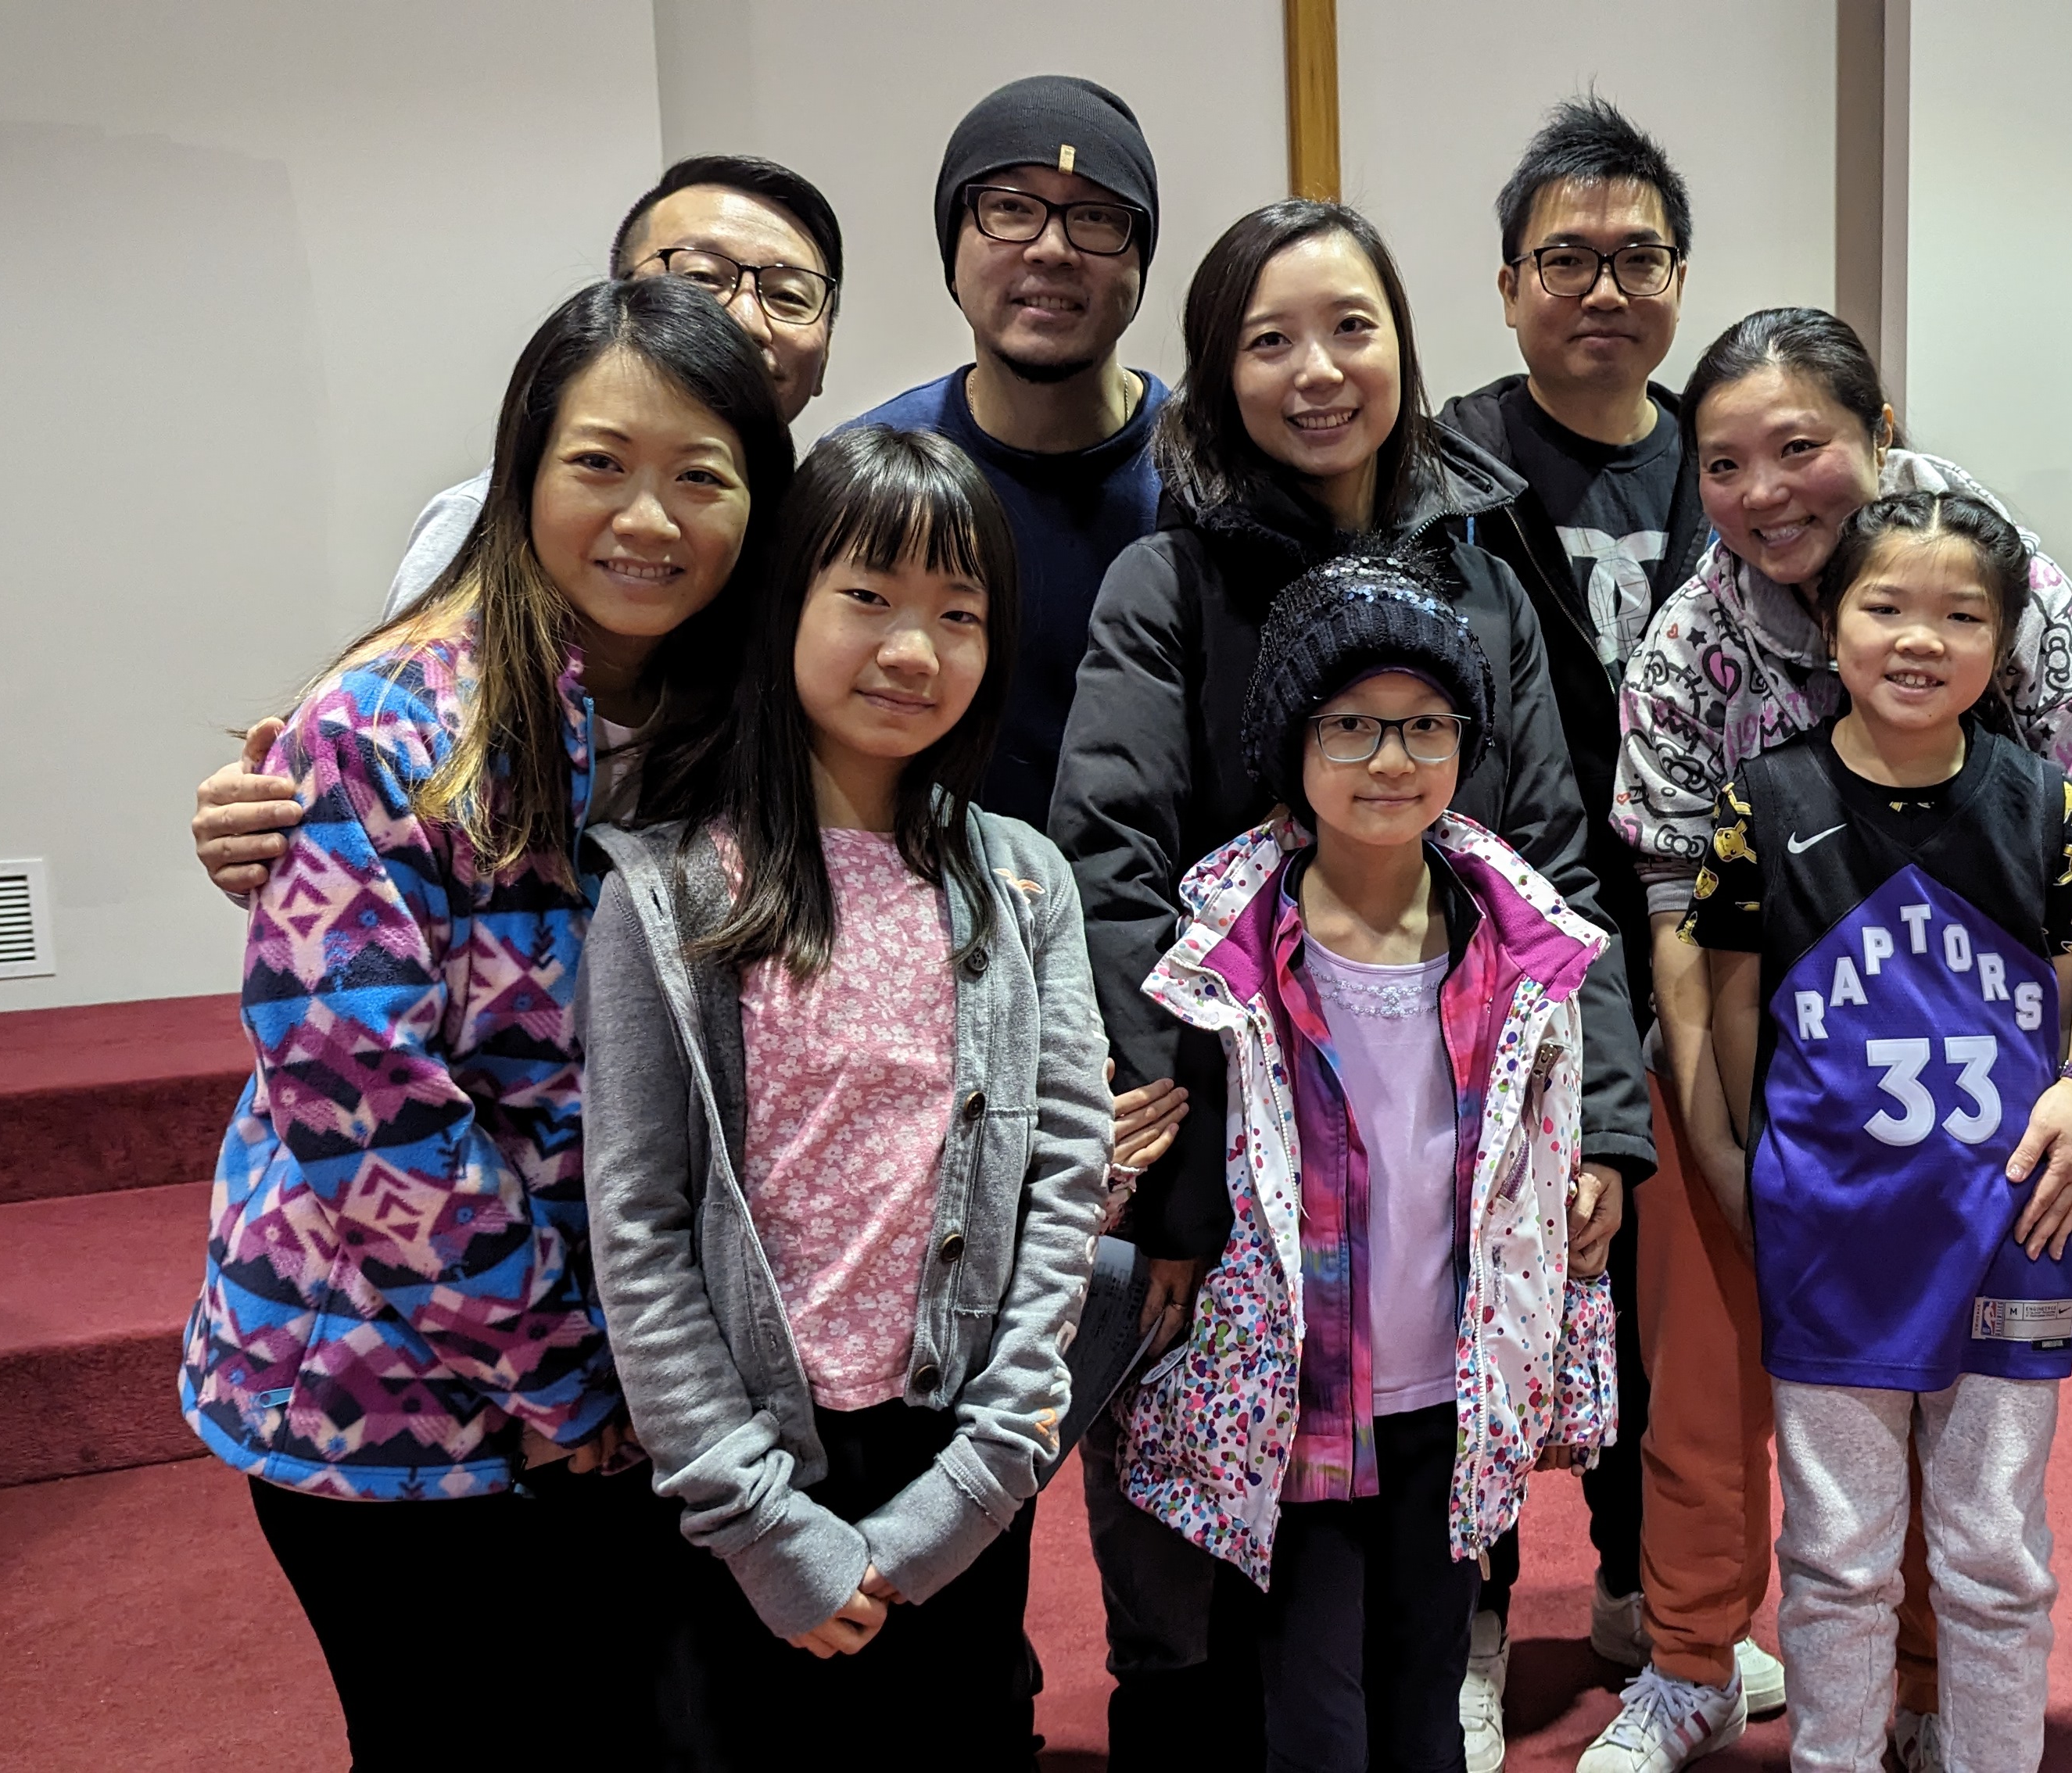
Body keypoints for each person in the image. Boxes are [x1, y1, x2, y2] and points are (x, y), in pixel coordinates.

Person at [1049, 197, 1648, 1772]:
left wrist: (1604, 1122)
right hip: (1237, 1166)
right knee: (1210, 1588)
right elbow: (1111, 873)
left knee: (1421, 1565)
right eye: (1270, 340)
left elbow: (1554, 868)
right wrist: (1191, 1167)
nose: (1317, 371)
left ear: (1403, 344)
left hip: (1442, 1153)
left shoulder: (1486, 570)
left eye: (1350, 329)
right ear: (1215, 368)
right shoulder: (1167, 580)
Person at [174, 274, 792, 1768]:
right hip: (386, 1392)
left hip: (636, 1386)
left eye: (699, 476)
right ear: (521, 474)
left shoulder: (748, 725)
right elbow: (367, 1105)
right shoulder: (383, 728)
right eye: (600, 464)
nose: (646, 517)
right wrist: (561, 1375)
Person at [1602, 308, 2072, 1772]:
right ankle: (1691, 1662)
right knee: (1727, 1399)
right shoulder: (1692, 644)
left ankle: (1933, 1693)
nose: (1763, 491)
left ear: (1876, 435)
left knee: (1975, 1484)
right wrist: (1724, 1147)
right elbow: (1682, 919)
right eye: (1722, 462)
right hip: (1779, 1084)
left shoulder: (1981, 569)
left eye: (1799, 446)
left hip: (1986, 1102)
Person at [579, 425, 1110, 1768]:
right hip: (749, 1481)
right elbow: (638, 1224)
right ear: (785, 605)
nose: (912, 649)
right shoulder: (669, 888)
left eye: (958, 613)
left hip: (959, 1469)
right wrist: (760, 1521)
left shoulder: (1023, 879)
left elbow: (1064, 1173)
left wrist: (983, 1475)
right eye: (868, 596)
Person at [1114, 560, 1619, 1773]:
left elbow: (1539, 1144)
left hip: (1454, 1390)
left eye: (1425, 726)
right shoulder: (1230, 941)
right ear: (1292, 744)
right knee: (1316, 1714)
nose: (1391, 758)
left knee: (1427, 1690)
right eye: (1351, 725)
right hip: (1298, 1404)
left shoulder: (1516, 933)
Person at [1683, 489, 2072, 1771]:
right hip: (1834, 1234)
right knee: (1836, 1554)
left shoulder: (2046, 807)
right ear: (1830, 623)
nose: (1920, 639)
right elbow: (1730, 1013)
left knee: (1995, 1552)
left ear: (2005, 640)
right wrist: (1751, 1179)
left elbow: (2065, 1048)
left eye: (1961, 615)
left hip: (2009, 1233)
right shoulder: (1763, 802)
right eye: (1885, 605)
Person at [188, 153, 848, 892]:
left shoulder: (807, 551)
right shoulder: (482, 530)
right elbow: (395, 777)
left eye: (788, 295)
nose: (744, 319)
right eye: (700, 278)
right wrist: (308, 818)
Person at [1431, 97, 1705, 1758]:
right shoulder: (1443, 464)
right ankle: (1469, 1621)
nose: (1604, 289)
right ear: (1508, 283)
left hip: (1693, 937)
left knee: (1655, 1286)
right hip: (1490, 928)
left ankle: (1635, 1593)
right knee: (1479, 1291)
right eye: (1566, 259)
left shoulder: (1727, 449)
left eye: (1637, 257)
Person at [846, 74, 1171, 826]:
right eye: (1010, 210)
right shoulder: (870, 475)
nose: (1052, 249)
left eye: (1096, 218)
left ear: (1140, 262)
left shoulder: (1215, 475)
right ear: (952, 246)